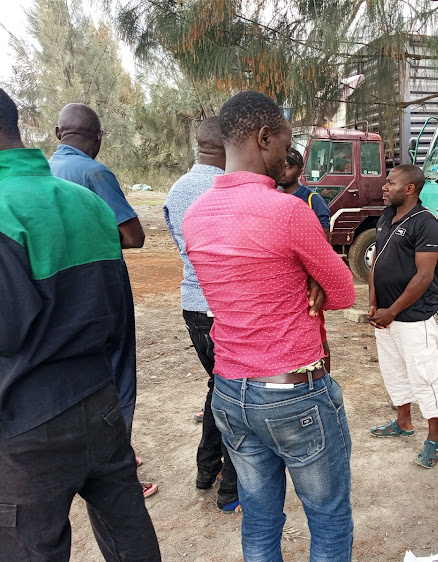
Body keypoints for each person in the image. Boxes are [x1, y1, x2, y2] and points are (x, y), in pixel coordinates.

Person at [182, 90, 356, 562]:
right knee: (328, 518)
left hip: (229, 390)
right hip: (291, 391)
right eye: (284, 142)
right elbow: (343, 292)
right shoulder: (289, 211)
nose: (287, 153)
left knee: (259, 520)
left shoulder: (195, 216)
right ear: (264, 137)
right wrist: (310, 277)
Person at [0, 89, 161, 561]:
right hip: (100, 402)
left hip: (25, 422)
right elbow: (116, 314)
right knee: (129, 535)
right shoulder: (88, 203)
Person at [48, 103, 156, 497]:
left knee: (77, 375)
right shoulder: (94, 172)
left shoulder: (45, 170)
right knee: (118, 375)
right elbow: (133, 236)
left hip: (57, 291)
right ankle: (119, 468)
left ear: (58, 134)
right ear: (97, 137)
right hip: (100, 289)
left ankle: (88, 456)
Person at [163, 116, 239, 511]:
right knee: (235, 396)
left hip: (193, 305)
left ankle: (206, 470)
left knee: (218, 387)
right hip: (223, 308)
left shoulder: (178, 189)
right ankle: (231, 487)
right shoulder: (224, 188)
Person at [367, 164, 438, 469]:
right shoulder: (387, 216)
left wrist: (393, 310)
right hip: (384, 316)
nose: (384, 187)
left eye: (390, 183)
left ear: (410, 188)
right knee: (394, 372)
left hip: (413, 318)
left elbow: (424, 276)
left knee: (424, 376)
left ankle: (434, 438)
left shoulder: (426, 223)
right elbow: (377, 262)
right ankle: (403, 421)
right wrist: (375, 303)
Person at [278, 147, 332, 372]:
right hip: (282, 277)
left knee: (316, 331)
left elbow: (324, 242)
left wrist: (316, 275)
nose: (283, 171)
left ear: (300, 171)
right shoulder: (271, 195)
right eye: (281, 165)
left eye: (289, 167)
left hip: (306, 277)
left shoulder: (311, 199)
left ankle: (325, 378)